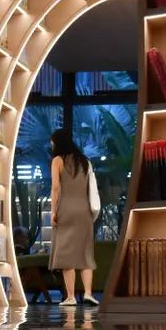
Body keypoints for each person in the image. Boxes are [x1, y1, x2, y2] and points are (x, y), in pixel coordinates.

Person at [49, 128, 99, 306]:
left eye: (52, 142)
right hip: (84, 210)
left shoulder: (57, 161)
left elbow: (56, 187)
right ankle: (88, 293)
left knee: (66, 252)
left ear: (57, 142)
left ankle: (70, 297)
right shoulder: (85, 161)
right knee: (85, 253)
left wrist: (53, 210)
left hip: (66, 209)